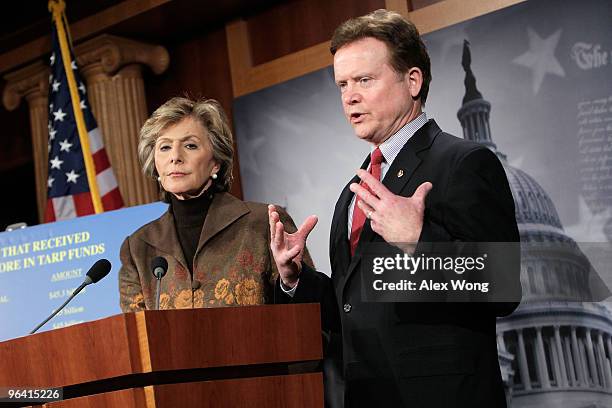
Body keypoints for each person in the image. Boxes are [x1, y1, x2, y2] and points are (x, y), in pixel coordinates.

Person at [270, 9, 520, 408]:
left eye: (364, 80)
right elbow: (349, 309)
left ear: (413, 80)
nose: (349, 96)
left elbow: (502, 286)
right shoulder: (353, 191)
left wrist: (418, 241)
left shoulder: (464, 162)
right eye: (342, 84)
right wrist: (296, 278)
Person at [119, 96, 309, 311]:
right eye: (164, 147)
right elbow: (137, 336)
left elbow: (310, 317)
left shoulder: (264, 223)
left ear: (216, 163)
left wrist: (292, 281)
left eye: (190, 145)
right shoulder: (137, 248)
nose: (175, 157)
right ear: (154, 164)